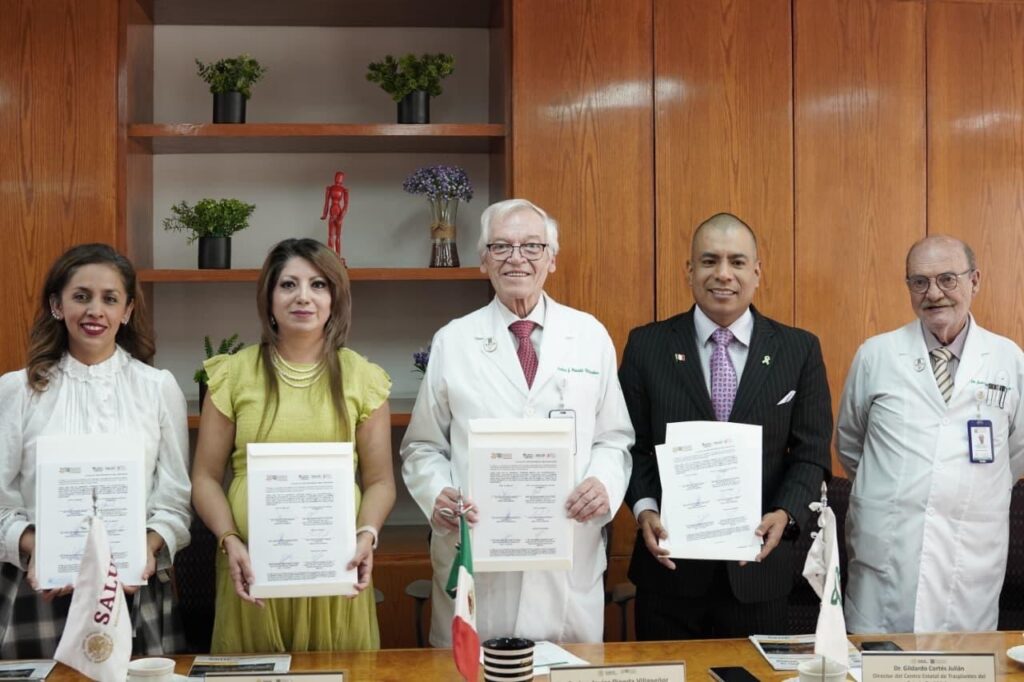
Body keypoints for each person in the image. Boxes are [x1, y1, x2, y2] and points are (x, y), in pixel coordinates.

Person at [401, 198, 634, 646]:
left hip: (566, 556)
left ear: (552, 258)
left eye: (532, 246)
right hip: (480, 555)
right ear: (483, 259)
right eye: (501, 246)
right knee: (473, 672)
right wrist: (437, 493)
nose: (517, 258)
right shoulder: (454, 340)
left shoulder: (589, 336)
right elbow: (422, 447)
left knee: (567, 671)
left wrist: (602, 483)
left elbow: (614, 438)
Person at [619, 212, 832, 639]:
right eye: (709, 260)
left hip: (758, 572)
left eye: (737, 262)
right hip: (669, 572)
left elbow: (810, 453)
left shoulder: (798, 349)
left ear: (757, 272)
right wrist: (645, 509)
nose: (723, 274)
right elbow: (630, 445)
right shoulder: (647, 345)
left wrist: (785, 514)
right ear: (689, 271)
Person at [191, 237, 395, 652]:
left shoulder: (363, 377)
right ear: (269, 298)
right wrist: (229, 539)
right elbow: (205, 478)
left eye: (318, 285)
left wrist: (367, 535)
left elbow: (380, 482)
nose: (303, 296)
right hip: (250, 566)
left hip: (337, 564)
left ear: (335, 299)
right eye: (288, 284)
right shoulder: (233, 374)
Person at [0, 243, 191, 657]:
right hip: (39, 587)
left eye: (110, 299)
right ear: (57, 305)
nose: (95, 311)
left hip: (131, 586)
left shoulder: (158, 389)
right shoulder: (15, 391)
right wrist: (36, 547)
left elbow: (174, 500)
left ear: (127, 310)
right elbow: (1, 501)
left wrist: (148, 548)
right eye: (81, 296)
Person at [837, 235, 1024, 633]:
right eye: (919, 282)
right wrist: (896, 488)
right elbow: (850, 443)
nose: (934, 293)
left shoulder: (1008, 359)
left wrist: (960, 488)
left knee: (964, 661)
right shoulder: (876, 354)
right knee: (877, 660)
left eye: (947, 279)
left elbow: (1017, 450)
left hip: (970, 555)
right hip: (887, 551)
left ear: (975, 280)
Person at [321, 171, 350, 260]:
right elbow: (326, 202)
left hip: (338, 213)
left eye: (340, 177)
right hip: (332, 213)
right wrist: (325, 214)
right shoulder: (330, 189)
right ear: (335, 178)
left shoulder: (344, 190)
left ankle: (338, 257)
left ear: (342, 179)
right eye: (337, 176)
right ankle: (331, 257)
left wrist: (341, 217)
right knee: (331, 236)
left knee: (338, 236)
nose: (338, 179)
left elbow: (346, 205)